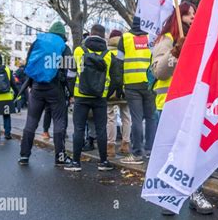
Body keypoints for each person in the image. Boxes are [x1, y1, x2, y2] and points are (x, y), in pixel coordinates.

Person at [151, 1, 214, 216]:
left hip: (192, 104)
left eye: (195, 14)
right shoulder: (167, 40)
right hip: (169, 105)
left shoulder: (197, 41)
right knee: (171, 152)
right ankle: (169, 195)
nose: (193, 18)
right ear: (177, 18)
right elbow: (159, 72)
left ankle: (195, 194)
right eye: (188, 15)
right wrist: (175, 52)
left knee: (192, 152)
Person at [19, 22, 72, 166]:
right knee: (59, 122)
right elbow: (71, 70)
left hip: (36, 88)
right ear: (62, 35)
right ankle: (60, 158)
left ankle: (24, 156)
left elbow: (29, 63)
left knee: (31, 121)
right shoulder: (64, 47)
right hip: (55, 88)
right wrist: (71, 92)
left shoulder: (38, 42)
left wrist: (30, 85)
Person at [64, 24, 115, 172]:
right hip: (100, 97)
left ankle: (75, 162)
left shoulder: (79, 51)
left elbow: (70, 75)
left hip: (81, 96)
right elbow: (114, 78)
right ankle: (104, 161)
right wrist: (106, 93)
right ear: (103, 36)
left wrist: (72, 92)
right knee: (101, 129)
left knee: (79, 128)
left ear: (91, 34)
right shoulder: (108, 55)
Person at [118, 17, 156, 165]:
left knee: (136, 119)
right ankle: (150, 150)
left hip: (131, 84)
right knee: (151, 118)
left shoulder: (125, 37)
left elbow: (119, 63)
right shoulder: (151, 38)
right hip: (150, 83)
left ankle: (137, 153)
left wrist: (118, 84)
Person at [106, 29, 131, 158]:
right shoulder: (127, 52)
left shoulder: (107, 53)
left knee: (111, 117)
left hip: (110, 90)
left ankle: (110, 147)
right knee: (126, 116)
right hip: (125, 88)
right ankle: (125, 144)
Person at [0, 53, 18, 140]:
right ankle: (7, 134)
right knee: (6, 116)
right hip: (6, 97)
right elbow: (13, 84)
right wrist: (17, 95)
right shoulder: (7, 69)